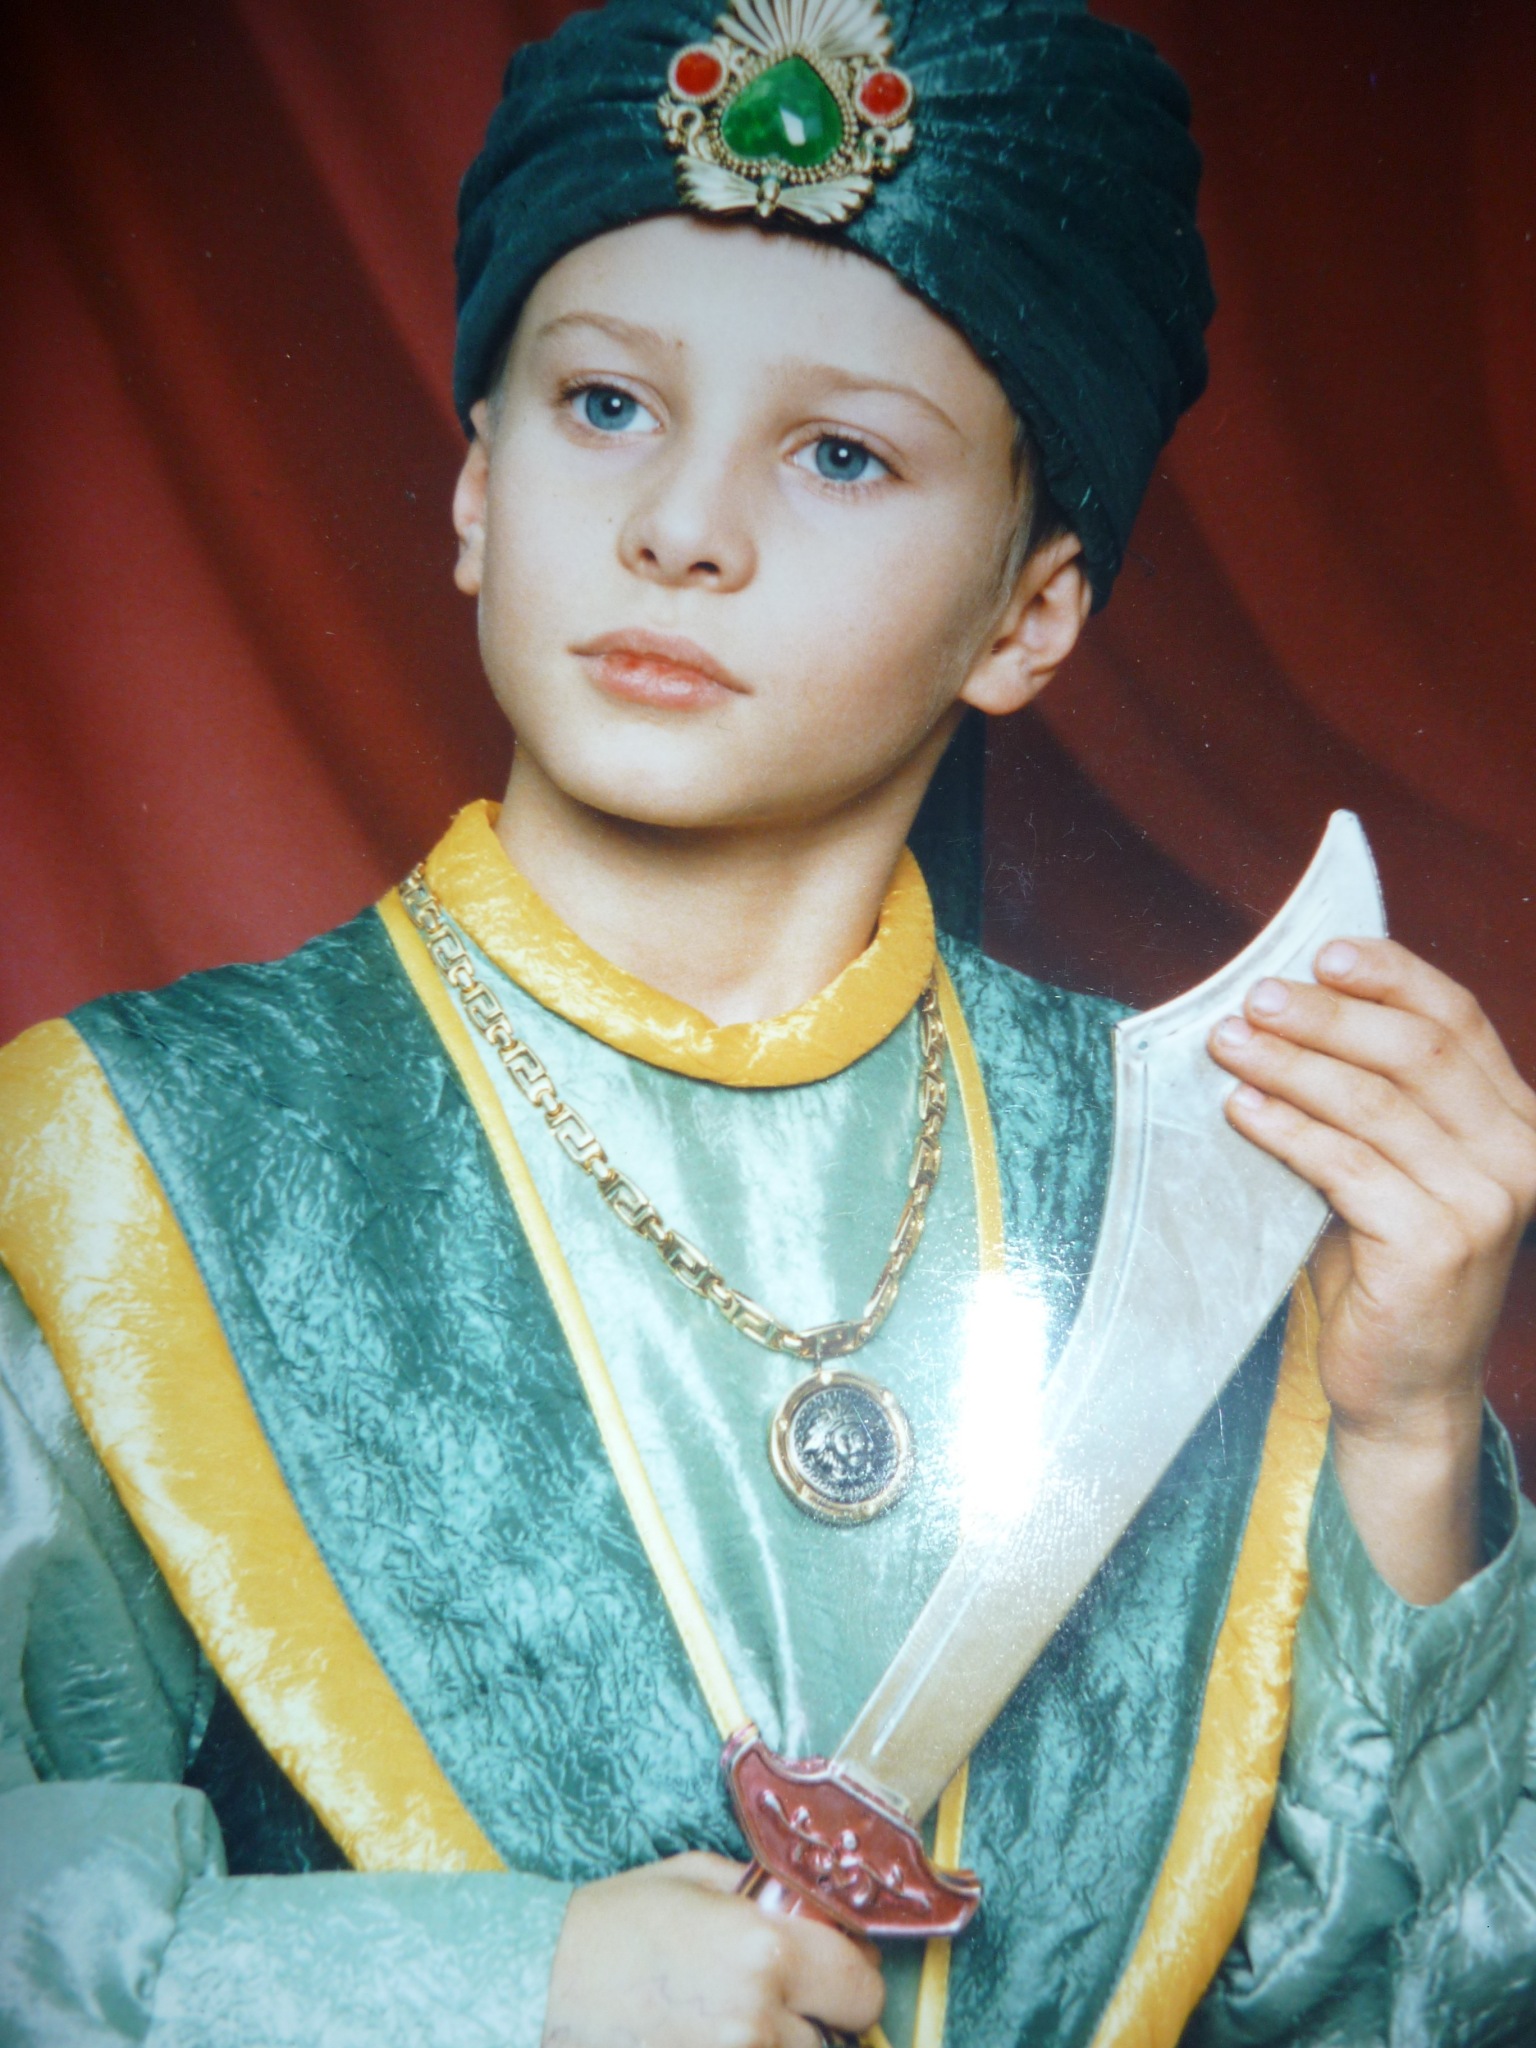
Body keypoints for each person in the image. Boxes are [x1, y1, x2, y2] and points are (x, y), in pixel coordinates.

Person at [2, 2, 1534, 2044]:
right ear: (476, 488)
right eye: (606, 404)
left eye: (840, 453)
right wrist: (499, 1988)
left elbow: (1381, 2012)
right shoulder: (128, 1162)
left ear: (1029, 614)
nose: (682, 527)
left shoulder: (1197, 1181)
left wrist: (1410, 1437)